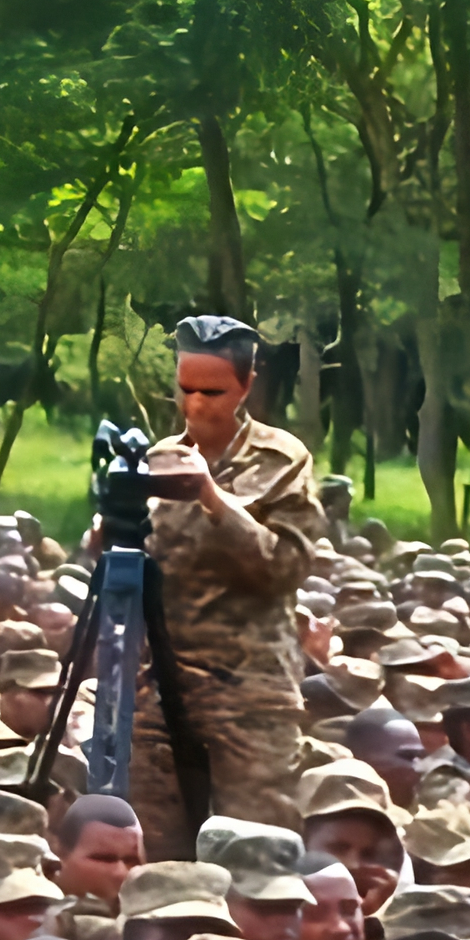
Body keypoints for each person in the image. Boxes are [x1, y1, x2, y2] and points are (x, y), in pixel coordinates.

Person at [132, 318, 329, 863]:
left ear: (245, 386)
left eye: (213, 392)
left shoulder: (281, 460)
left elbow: (285, 567)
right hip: (158, 685)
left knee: (257, 854)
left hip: (250, 690)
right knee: (157, 854)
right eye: (185, 389)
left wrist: (212, 498)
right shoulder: (158, 460)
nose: (196, 405)